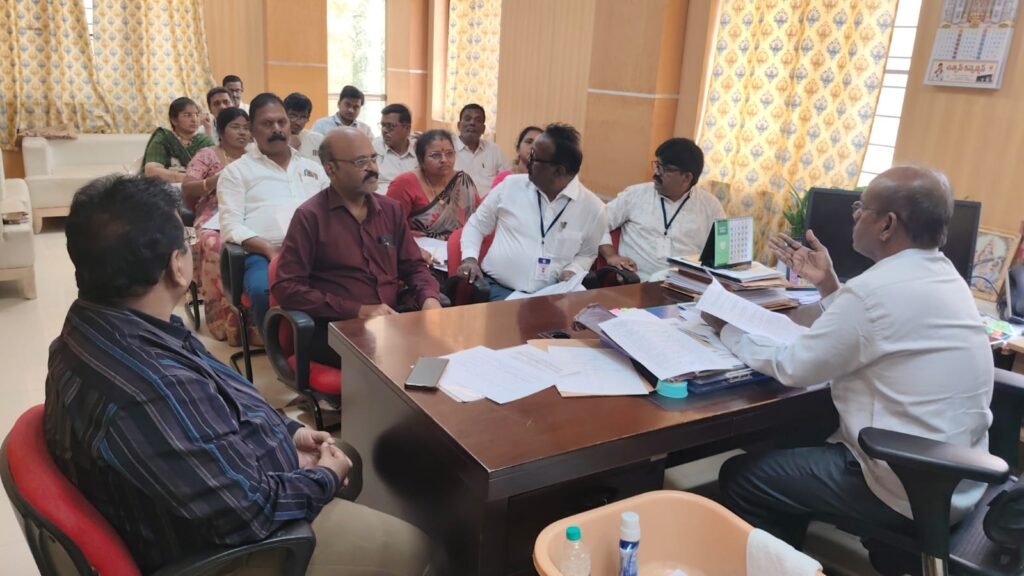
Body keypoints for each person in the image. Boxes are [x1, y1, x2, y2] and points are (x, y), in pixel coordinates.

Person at [46, 174, 432, 575]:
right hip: (228, 549)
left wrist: (288, 433)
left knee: (345, 454)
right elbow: (251, 511)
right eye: (187, 243)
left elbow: (220, 395)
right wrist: (323, 477)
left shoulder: (107, 327)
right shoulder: (151, 387)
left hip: (213, 488)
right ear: (177, 266)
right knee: (414, 546)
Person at [704, 166, 993, 572]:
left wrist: (728, 329)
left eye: (862, 207)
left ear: (887, 224)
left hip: (902, 482)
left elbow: (792, 366)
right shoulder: (945, 276)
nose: (855, 216)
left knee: (745, 476)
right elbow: (871, 327)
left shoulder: (875, 291)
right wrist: (829, 286)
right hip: (956, 474)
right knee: (789, 437)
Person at [272, 127, 442, 368]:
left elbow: (413, 266)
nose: (372, 168)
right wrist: (358, 310)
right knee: (403, 357)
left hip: (390, 319)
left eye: (373, 158)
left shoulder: (390, 210)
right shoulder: (310, 217)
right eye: (361, 162)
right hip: (336, 328)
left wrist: (429, 298)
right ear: (331, 168)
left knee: (443, 344)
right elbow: (287, 288)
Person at [218, 93, 328, 337]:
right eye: (267, 123)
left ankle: (327, 345)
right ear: (251, 129)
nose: (277, 129)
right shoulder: (236, 172)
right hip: (263, 254)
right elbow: (230, 225)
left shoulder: (313, 169)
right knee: (263, 290)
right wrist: (269, 249)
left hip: (316, 251)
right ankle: (279, 350)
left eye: (282, 122)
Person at [456, 123, 607, 300]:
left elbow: (587, 254)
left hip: (553, 296)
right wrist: (470, 259)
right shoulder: (510, 186)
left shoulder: (593, 209)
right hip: (499, 290)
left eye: (535, 158)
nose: (528, 160)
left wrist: (573, 270)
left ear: (558, 171)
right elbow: (476, 225)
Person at [599, 138, 725, 281]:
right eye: (657, 165)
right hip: (637, 282)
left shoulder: (710, 206)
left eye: (664, 169)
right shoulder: (635, 195)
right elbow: (597, 223)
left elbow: (721, 253)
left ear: (686, 177)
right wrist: (611, 256)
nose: (655, 173)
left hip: (684, 285)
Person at [182, 107, 251, 345]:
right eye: (235, 127)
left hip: (248, 212)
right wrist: (215, 180)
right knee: (215, 245)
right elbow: (187, 187)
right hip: (213, 213)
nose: (242, 133)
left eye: (246, 128)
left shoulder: (256, 156)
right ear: (221, 131)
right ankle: (223, 320)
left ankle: (255, 319)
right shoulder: (208, 155)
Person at [386, 129, 478, 241]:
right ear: (421, 160)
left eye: (449, 153)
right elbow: (388, 228)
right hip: (417, 247)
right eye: (436, 155)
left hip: (460, 246)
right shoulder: (403, 184)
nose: (444, 160)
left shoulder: (462, 181)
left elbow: (479, 223)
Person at [140, 97, 215, 183]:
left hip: (199, 188)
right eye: (187, 115)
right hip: (165, 188)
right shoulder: (164, 137)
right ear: (174, 120)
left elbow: (216, 170)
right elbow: (151, 171)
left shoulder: (204, 141)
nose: (194, 119)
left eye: (197, 114)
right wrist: (185, 178)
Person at [453, 103, 507, 197]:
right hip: (457, 203)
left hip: (490, 203)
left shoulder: (494, 150)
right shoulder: (448, 149)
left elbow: (507, 180)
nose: (472, 123)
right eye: (467, 119)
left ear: (483, 129)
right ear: (459, 125)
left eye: (478, 120)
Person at [372, 103, 417, 194]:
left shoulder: (419, 150)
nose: (384, 130)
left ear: (407, 128)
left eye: (390, 126)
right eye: (383, 125)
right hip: (381, 200)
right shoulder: (373, 148)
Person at [491, 125, 541, 189]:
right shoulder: (504, 179)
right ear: (518, 148)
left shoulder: (547, 182)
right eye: (529, 142)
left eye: (539, 143)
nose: (533, 146)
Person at [283, 92, 324, 160]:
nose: (298, 122)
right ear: (283, 115)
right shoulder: (274, 140)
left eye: (303, 117)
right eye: (293, 116)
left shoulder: (318, 140)